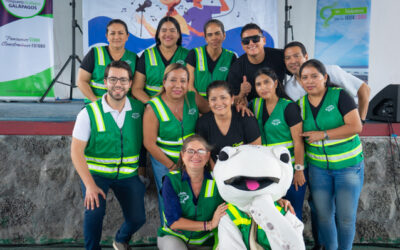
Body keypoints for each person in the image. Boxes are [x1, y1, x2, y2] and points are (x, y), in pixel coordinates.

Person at [71, 61, 145, 250]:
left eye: (123, 79)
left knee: (138, 218)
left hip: (128, 175)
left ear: (130, 83)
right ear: (105, 82)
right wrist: (89, 186)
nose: (117, 84)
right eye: (113, 79)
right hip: (96, 175)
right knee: (94, 212)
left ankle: (120, 239)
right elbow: (76, 152)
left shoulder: (140, 109)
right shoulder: (88, 113)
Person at [299, 59, 364, 250]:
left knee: (345, 218)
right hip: (319, 170)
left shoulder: (340, 96)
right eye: (304, 77)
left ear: (325, 78)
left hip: (348, 168)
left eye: (314, 76)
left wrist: (323, 135)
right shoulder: (299, 105)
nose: (309, 81)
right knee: (324, 216)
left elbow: (356, 126)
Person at [143, 63, 209, 224]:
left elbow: (214, 110)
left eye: (183, 81)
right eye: (173, 80)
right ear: (164, 82)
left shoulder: (193, 98)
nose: (178, 85)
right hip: (165, 161)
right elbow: (149, 143)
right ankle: (169, 235)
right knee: (168, 199)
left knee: (195, 196)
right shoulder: (154, 107)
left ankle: (194, 234)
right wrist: (172, 166)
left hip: (193, 160)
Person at [251, 67, 305, 221]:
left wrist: (299, 170)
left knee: (294, 213)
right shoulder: (253, 105)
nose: (263, 87)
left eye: (266, 82)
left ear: (275, 83)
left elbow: (298, 141)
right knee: (272, 213)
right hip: (268, 171)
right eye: (258, 84)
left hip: (291, 169)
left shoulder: (288, 107)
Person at [157, 134, 227, 249]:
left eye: (201, 151)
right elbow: (174, 222)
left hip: (206, 240)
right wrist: (209, 225)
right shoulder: (171, 180)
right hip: (175, 237)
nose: (196, 155)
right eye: (190, 151)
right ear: (182, 155)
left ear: (208, 155)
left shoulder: (217, 181)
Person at [283, 41, 370, 121]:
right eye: (288, 58)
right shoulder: (288, 88)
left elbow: (364, 89)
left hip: (345, 128)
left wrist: (361, 121)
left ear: (306, 57)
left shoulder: (331, 71)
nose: (292, 61)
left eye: (296, 56)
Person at [196, 80, 261, 168]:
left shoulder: (246, 118)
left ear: (232, 99)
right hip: (219, 173)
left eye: (223, 97)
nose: (219, 103)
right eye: (213, 99)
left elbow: (256, 151)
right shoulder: (203, 123)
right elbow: (206, 154)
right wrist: (217, 175)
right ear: (208, 102)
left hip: (246, 169)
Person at [77, 19, 137, 104]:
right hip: (95, 104)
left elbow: (136, 87)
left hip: (123, 106)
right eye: (112, 33)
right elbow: (81, 81)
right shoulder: (94, 53)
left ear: (127, 36)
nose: (116, 37)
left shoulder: (134, 58)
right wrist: (97, 103)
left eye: (120, 33)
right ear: (107, 36)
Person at [132, 16, 189, 103]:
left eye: (172, 30)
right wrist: (154, 106)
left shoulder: (188, 55)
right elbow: (136, 89)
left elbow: (191, 87)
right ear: (158, 34)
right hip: (151, 107)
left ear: (178, 34)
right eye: (164, 30)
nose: (168, 34)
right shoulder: (147, 55)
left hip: (179, 106)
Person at [227, 23, 286, 104]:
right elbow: (232, 101)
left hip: (280, 105)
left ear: (264, 40)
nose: (251, 43)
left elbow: (297, 71)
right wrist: (241, 93)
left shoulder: (280, 56)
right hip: (253, 110)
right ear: (242, 45)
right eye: (246, 41)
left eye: (255, 39)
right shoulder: (236, 68)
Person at [186, 19, 236, 108]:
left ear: (224, 35)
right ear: (205, 38)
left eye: (217, 33)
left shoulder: (231, 57)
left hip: (222, 105)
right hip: (197, 105)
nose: (214, 38)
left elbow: (231, 88)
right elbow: (189, 86)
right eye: (210, 35)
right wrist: (204, 107)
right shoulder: (194, 54)